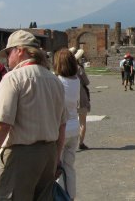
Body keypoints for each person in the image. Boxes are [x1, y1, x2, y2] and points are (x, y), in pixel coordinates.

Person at [0, 30, 67, 200]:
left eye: (9, 53)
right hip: (49, 153)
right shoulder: (55, 80)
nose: (7, 59)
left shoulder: (13, 78)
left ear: (20, 50)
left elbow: (1, 124)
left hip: (21, 156)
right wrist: (56, 158)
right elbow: (62, 126)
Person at [54, 48, 80, 199]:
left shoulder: (58, 81)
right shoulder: (75, 80)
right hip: (74, 127)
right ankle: (70, 196)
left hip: (61, 129)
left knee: (57, 167)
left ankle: (61, 197)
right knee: (69, 166)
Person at [75, 49, 91, 151]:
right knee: (82, 122)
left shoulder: (62, 68)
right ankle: (80, 143)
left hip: (66, 97)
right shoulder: (78, 68)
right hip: (80, 96)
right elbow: (86, 81)